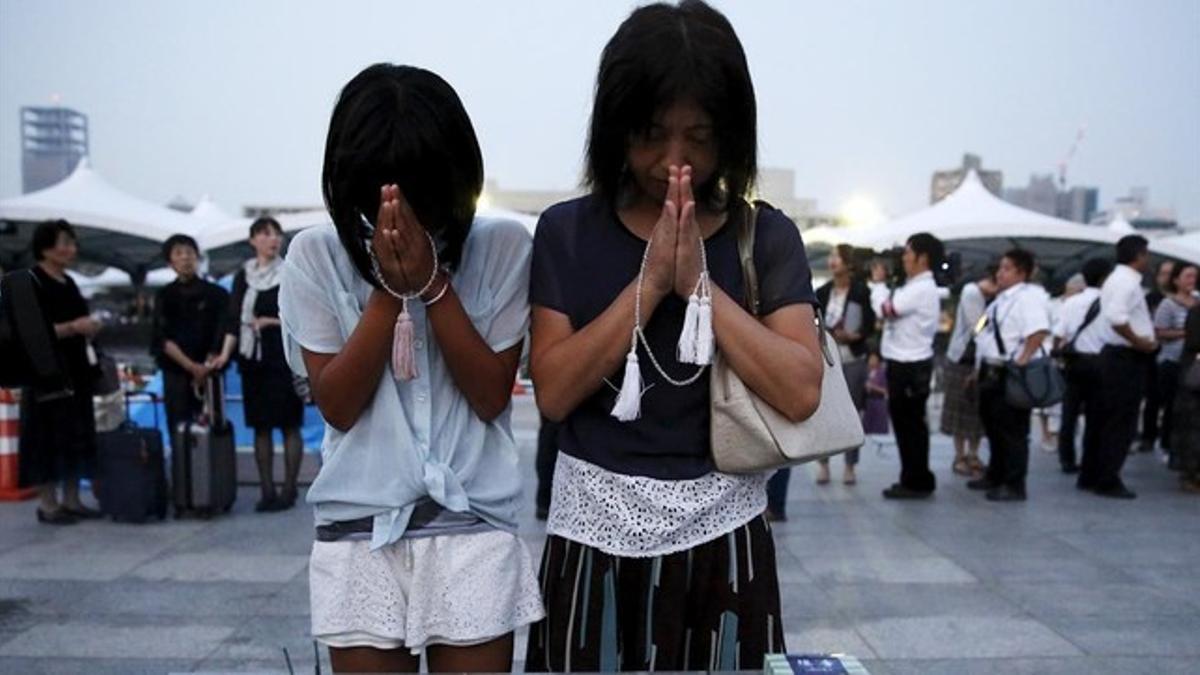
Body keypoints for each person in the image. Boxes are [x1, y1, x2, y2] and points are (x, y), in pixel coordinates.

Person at [524, 2, 823, 669]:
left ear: (733, 135)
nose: (673, 160)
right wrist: (651, 283)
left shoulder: (764, 236)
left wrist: (700, 290)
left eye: (700, 136)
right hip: (591, 537)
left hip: (726, 541)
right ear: (615, 128)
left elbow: (802, 388)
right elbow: (553, 390)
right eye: (652, 134)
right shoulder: (566, 232)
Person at [277, 64, 543, 673]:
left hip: (472, 521)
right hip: (358, 525)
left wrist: (430, 284)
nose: (405, 218)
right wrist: (385, 288)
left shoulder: (501, 247)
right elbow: (338, 405)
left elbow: (489, 395)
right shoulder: (314, 257)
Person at [17, 220, 103, 525]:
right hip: (44, 373)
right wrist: (72, 328)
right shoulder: (27, 281)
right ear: (44, 247)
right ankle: (48, 504)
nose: (70, 249)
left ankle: (72, 498)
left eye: (72, 242)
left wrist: (89, 329)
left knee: (75, 432)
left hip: (76, 370)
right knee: (45, 436)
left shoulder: (70, 282)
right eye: (63, 242)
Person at [224, 216, 306, 513]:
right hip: (253, 359)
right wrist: (223, 355)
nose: (273, 239)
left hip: (283, 357)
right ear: (253, 240)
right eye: (265, 234)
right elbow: (233, 318)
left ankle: (289, 489)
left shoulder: (291, 272)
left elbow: (302, 313)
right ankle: (266, 489)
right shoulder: (242, 276)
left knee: (289, 424)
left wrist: (271, 321)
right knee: (260, 426)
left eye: (276, 234)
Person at [967, 249, 1050, 502]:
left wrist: (1021, 361)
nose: (1000, 273)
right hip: (990, 370)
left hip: (1009, 372)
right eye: (1000, 268)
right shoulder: (999, 300)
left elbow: (1038, 331)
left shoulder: (1027, 298)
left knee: (1012, 431)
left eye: (1006, 268)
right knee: (993, 427)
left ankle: (1014, 484)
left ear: (1021, 273)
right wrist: (976, 371)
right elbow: (982, 334)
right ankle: (996, 474)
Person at [1081, 234, 1157, 499]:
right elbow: (1116, 318)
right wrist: (1139, 342)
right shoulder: (1127, 282)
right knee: (1120, 421)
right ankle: (1108, 477)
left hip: (1113, 356)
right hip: (1125, 358)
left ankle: (1092, 473)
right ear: (1139, 256)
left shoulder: (1116, 279)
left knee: (1102, 418)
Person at [874, 233, 943, 499]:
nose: (903, 258)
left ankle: (916, 480)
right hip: (908, 364)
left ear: (922, 258)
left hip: (909, 367)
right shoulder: (916, 286)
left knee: (910, 426)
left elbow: (886, 310)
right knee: (909, 425)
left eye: (907, 253)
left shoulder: (921, 288)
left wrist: (879, 285)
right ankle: (914, 477)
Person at [152, 234, 233, 454]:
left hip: (211, 371)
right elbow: (161, 337)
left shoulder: (217, 294)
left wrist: (211, 361)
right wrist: (190, 366)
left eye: (189, 252)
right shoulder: (164, 295)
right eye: (179, 253)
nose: (185, 258)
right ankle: (182, 482)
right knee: (179, 427)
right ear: (170, 262)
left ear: (197, 257)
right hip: (177, 372)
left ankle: (211, 482)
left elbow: (226, 328)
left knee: (213, 424)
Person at [813, 244, 875, 486]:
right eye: (831, 256)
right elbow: (813, 321)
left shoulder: (861, 291)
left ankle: (850, 465)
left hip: (853, 357)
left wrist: (856, 335)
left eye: (837, 257)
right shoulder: (823, 291)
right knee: (823, 412)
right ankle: (823, 463)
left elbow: (869, 324)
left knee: (853, 412)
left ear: (848, 263)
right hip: (827, 357)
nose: (832, 261)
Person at [1053, 258, 1112, 474]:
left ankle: (1066, 459)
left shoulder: (1071, 302)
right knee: (1096, 416)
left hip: (1074, 362)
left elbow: (1059, 334)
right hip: (1100, 362)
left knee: (1069, 414)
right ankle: (1091, 461)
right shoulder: (1110, 303)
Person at [941, 269, 997, 478]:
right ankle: (960, 456)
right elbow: (978, 327)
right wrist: (991, 313)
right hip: (962, 358)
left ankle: (973, 455)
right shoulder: (972, 292)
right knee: (959, 408)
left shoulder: (987, 296)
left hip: (978, 360)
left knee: (975, 411)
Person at [1152, 262, 1197, 458]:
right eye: (1187, 276)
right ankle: (1168, 445)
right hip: (1173, 361)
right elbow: (1160, 332)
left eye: (1194, 276)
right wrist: (1187, 333)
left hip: (1194, 363)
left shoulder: (1198, 300)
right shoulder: (1167, 304)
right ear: (1176, 280)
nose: (1192, 281)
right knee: (1172, 406)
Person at [1139, 259, 1174, 453]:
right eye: (1163, 273)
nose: (1167, 278)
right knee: (1152, 398)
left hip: (1174, 356)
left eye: (1170, 273)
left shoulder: (1187, 298)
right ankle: (1148, 436)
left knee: (1172, 400)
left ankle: (1167, 437)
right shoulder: (1151, 299)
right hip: (1154, 354)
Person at [1170, 301, 1200, 493]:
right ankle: (1191, 473)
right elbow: (1195, 342)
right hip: (1195, 379)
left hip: (1192, 375)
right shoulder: (1196, 313)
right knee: (1193, 426)